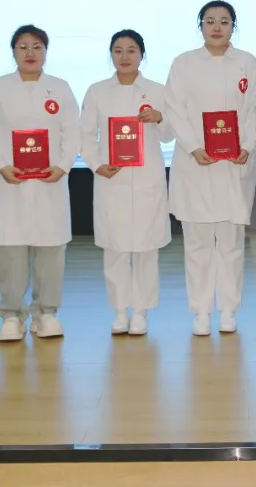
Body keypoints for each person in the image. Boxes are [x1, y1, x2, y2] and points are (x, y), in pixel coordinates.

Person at [0, 24, 80, 342]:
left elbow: (72, 131)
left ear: (46, 51)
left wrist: (62, 166)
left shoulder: (60, 88)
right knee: (10, 250)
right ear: (13, 52)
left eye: (37, 46)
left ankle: (46, 313)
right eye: (23, 47)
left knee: (50, 249)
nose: (30, 53)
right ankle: (11, 315)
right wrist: (0, 166)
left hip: (50, 182)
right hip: (11, 182)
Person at [165, 0, 256, 336]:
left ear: (233, 26)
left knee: (232, 243)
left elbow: (255, 109)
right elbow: (174, 109)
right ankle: (201, 311)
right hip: (196, 164)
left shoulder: (248, 63)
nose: (217, 27)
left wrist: (247, 145)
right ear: (201, 26)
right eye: (210, 21)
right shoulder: (184, 63)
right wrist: (194, 146)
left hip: (234, 165)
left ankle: (229, 309)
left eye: (224, 21)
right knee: (198, 244)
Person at [80, 29, 172, 337]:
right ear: (111, 55)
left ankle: (142, 312)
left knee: (146, 250)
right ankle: (120, 311)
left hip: (147, 180)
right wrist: (96, 164)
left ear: (141, 55)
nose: (124, 56)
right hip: (112, 178)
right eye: (118, 50)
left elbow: (169, 136)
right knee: (115, 249)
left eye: (131, 50)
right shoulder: (97, 91)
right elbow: (85, 134)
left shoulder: (157, 90)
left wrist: (160, 118)